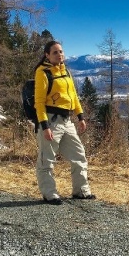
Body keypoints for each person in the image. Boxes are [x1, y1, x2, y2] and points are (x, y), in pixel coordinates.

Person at [34, 40, 95, 205]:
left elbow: (73, 96)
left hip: (67, 121)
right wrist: (44, 126)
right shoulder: (42, 73)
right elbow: (39, 102)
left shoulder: (66, 71)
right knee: (47, 159)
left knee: (79, 155)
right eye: (55, 52)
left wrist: (80, 116)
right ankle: (49, 193)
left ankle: (81, 191)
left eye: (61, 51)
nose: (59, 54)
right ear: (47, 55)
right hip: (51, 121)